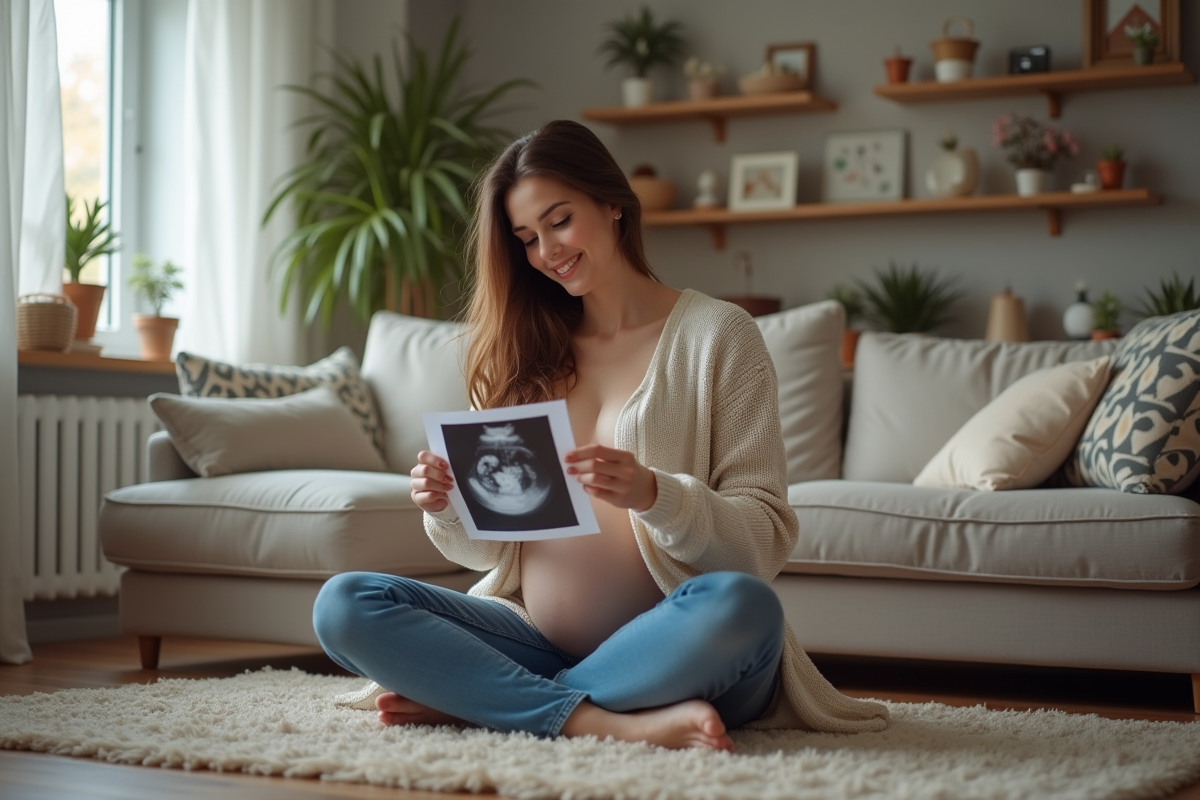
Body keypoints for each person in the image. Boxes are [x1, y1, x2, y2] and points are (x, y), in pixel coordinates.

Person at [312, 120, 887, 750]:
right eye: (527, 239)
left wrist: (657, 495)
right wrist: (449, 506)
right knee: (345, 603)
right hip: (529, 639)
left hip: (680, 647)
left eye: (559, 221)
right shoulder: (517, 351)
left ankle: (488, 697)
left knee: (745, 607)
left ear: (613, 203)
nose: (546, 252)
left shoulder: (720, 336)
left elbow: (762, 545)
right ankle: (594, 718)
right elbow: (485, 555)